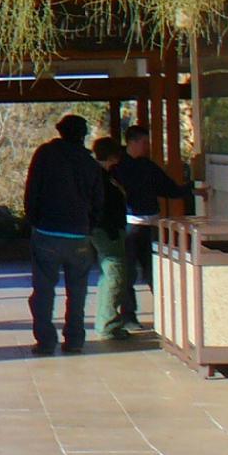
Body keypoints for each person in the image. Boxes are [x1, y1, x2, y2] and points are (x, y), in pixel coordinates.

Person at [112, 123, 204, 329]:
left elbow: (169, 188)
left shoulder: (148, 166)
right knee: (127, 274)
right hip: (129, 225)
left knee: (155, 271)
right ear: (133, 142)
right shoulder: (118, 168)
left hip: (150, 223)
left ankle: (166, 314)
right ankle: (128, 316)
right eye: (144, 142)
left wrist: (191, 189)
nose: (147, 146)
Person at [22, 114, 100, 355]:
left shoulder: (45, 155)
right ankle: (74, 339)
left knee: (43, 290)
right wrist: (88, 226)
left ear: (60, 131)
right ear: (83, 134)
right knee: (77, 291)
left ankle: (46, 340)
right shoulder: (90, 162)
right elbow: (98, 200)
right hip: (78, 234)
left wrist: (34, 220)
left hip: (47, 231)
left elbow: (32, 189)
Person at [90, 137, 134, 340]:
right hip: (106, 231)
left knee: (110, 275)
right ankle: (107, 323)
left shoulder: (106, 175)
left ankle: (107, 319)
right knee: (115, 274)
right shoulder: (99, 177)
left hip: (109, 229)